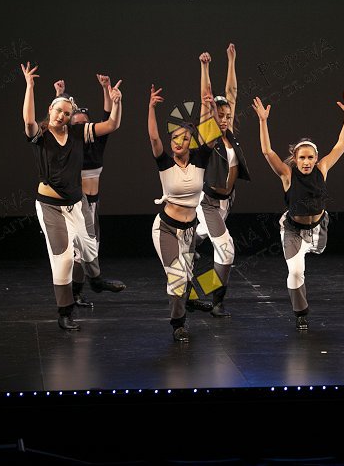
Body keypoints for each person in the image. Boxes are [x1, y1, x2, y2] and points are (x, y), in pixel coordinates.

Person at [20, 62, 123, 331]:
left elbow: (112, 124)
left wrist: (116, 102)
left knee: (89, 247)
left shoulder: (77, 133)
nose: (62, 116)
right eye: (58, 111)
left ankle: (96, 281)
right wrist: (30, 86)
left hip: (76, 203)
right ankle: (64, 311)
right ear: (50, 110)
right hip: (50, 206)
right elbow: (28, 121)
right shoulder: (40, 134)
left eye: (67, 113)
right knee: (64, 258)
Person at [252, 90, 344, 330]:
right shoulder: (287, 175)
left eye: (310, 157)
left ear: (316, 158)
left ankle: (313, 244)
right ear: (295, 159)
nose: (306, 162)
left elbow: (343, 144)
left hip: (318, 228)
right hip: (293, 230)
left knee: (317, 250)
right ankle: (301, 312)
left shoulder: (322, 169)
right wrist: (263, 121)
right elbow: (267, 152)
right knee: (296, 272)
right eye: (302, 158)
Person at [148, 84, 219, 342]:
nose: (179, 142)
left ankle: (188, 299)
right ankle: (178, 324)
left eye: (185, 139)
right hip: (166, 228)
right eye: (175, 138)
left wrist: (212, 109)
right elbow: (154, 138)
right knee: (177, 277)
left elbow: (212, 135)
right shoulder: (165, 162)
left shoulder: (199, 159)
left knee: (188, 278)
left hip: (189, 231)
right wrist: (151, 107)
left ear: (191, 142)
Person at [53, 75, 126, 308]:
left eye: (85, 124)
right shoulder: (70, 145)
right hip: (77, 202)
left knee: (90, 248)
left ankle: (83, 289)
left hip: (93, 202)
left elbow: (108, 117)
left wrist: (107, 90)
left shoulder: (97, 142)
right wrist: (59, 96)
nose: (82, 128)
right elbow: (58, 122)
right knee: (79, 251)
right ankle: (81, 290)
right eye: (77, 125)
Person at [195, 44, 250, 317]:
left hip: (226, 202)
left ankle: (190, 240)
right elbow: (206, 98)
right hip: (208, 202)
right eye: (220, 115)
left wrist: (231, 61)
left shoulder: (229, 136)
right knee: (227, 252)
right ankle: (208, 298)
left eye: (228, 115)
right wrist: (205, 67)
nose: (225, 119)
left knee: (212, 246)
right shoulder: (208, 134)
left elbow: (232, 93)